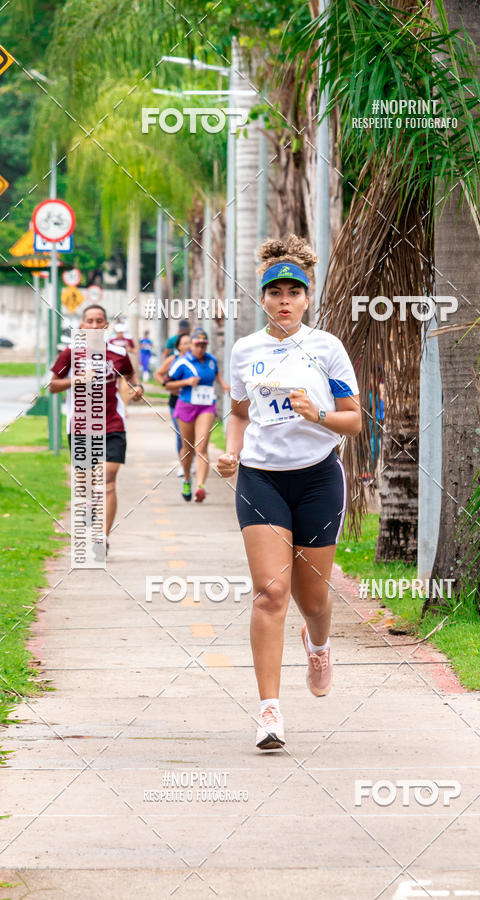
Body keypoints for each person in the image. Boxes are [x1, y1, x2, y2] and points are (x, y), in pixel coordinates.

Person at [216, 234, 361, 750]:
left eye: (293, 292)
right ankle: (269, 711)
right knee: (271, 592)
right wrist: (230, 453)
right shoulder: (246, 350)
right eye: (275, 292)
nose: (283, 300)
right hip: (260, 478)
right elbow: (238, 413)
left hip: (318, 476)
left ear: (307, 298)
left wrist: (316, 414)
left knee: (313, 596)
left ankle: (317, 643)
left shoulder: (327, 348)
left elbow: (354, 422)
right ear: (263, 298)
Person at [49, 304, 143, 554]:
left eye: (99, 320)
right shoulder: (70, 353)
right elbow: (53, 386)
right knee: (85, 482)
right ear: (81, 326)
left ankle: (102, 537)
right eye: (89, 320)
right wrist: (77, 379)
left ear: (106, 325)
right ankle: (89, 503)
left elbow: (132, 377)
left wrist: (137, 389)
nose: (93, 325)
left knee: (108, 481)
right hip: (80, 426)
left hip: (112, 424)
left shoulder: (118, 353)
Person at [165, 327, 229, 502]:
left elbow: (216, 373)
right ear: (191, 346)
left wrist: (223, 384)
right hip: (186, 406)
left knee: (201, 447)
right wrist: (186, 382)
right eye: (197, 345)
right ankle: (187, 479)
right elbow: (167, 384)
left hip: (206, 407)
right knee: (188, 448)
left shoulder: (211, 360)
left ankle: (201, 487)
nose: (200, 349)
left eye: (203, 345)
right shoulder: (182, 362)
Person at [155, 332, 192, 477]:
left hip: (195, 402)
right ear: (178, 347)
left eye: (190, 342)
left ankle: (192, 461)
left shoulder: (198, 360)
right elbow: (158, 374)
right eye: (184, 343)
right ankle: (184, 464)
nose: (188, 346)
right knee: (181, 435)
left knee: (194, 435)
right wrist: (167, 384)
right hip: (176, 402)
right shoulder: (173, 359)